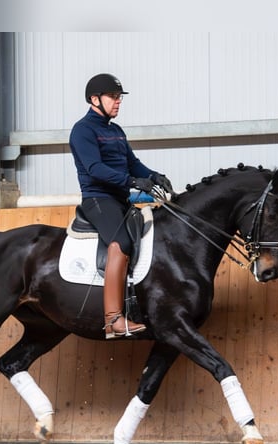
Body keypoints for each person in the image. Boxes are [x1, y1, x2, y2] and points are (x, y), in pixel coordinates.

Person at [69, 73, 173, 339]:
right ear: (95, 99)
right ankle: (113, 320)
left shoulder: (115, 131)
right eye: (113, 97)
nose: (118, 102)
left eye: (119, 98)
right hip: (98, 199)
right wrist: (132, 181)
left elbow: (133, 164)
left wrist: (153, 176)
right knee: (122, 242)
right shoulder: (83, 130)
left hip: (120, 200)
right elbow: (95, 169)